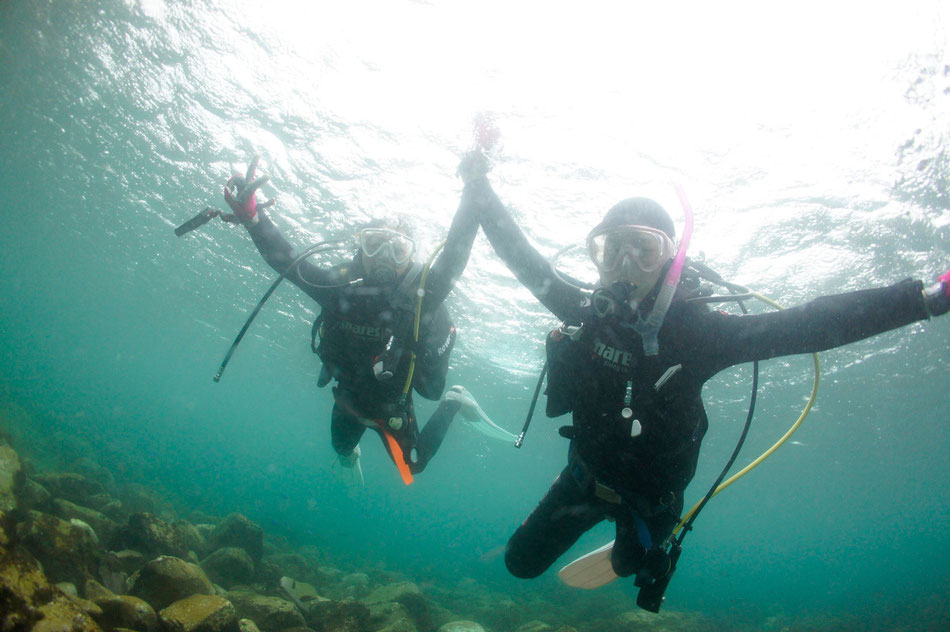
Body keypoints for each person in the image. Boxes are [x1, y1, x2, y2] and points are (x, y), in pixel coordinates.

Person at [456, 151, 950, 597]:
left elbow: (809, 325)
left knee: (630, 566)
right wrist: (478, 180)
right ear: (598, 257)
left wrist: (922, 300)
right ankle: (612, 535)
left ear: (671, 256)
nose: (626, 264)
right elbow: (520, 255)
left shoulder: (700, 333)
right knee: (520, 565)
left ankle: (628, 549)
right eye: (613, 250)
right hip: (583, 479)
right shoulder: (585, 311)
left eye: (644, 250)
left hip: (653, 500)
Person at [223, 156, 506, 486]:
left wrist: (474, 187)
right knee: (341, 448)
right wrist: (255, 219)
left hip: (392, 405)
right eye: (374, 245)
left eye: (398, 250)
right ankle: (351, 454)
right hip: (350, 399)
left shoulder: (420, 296)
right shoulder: (339, 288)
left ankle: (455, 402)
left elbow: (454, 256)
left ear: (410, 259)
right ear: (361, 248)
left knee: (414, 465)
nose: (384, 258)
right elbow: (290, 264)